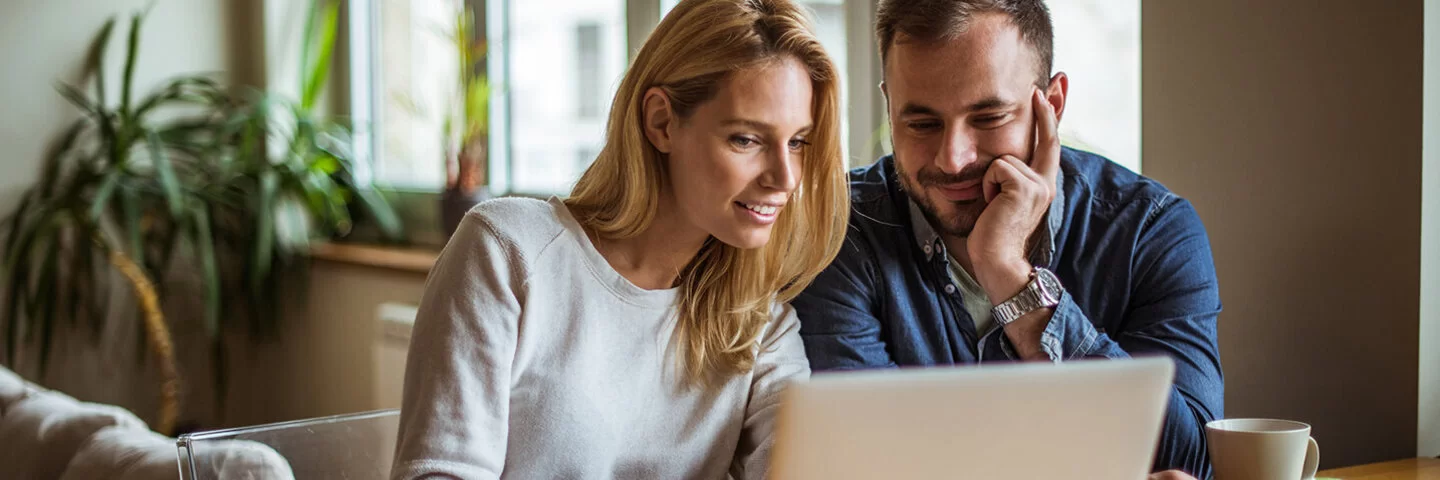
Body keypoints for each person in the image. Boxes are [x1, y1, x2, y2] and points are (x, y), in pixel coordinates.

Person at [389, 0, 849, 478]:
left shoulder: (761, 326)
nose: (785, 177)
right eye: (746, 139)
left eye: (798, 142)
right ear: (661, 122)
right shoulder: (508, 253)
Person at [791, 0, 1223, 478]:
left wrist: (1011, 278)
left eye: (988, 118)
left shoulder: (1151, 231)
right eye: (922, 123)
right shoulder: (838, 230)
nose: (953, 159)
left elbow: (1191, 464)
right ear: (889, 105)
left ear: (1051, 105)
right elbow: (861, 464)